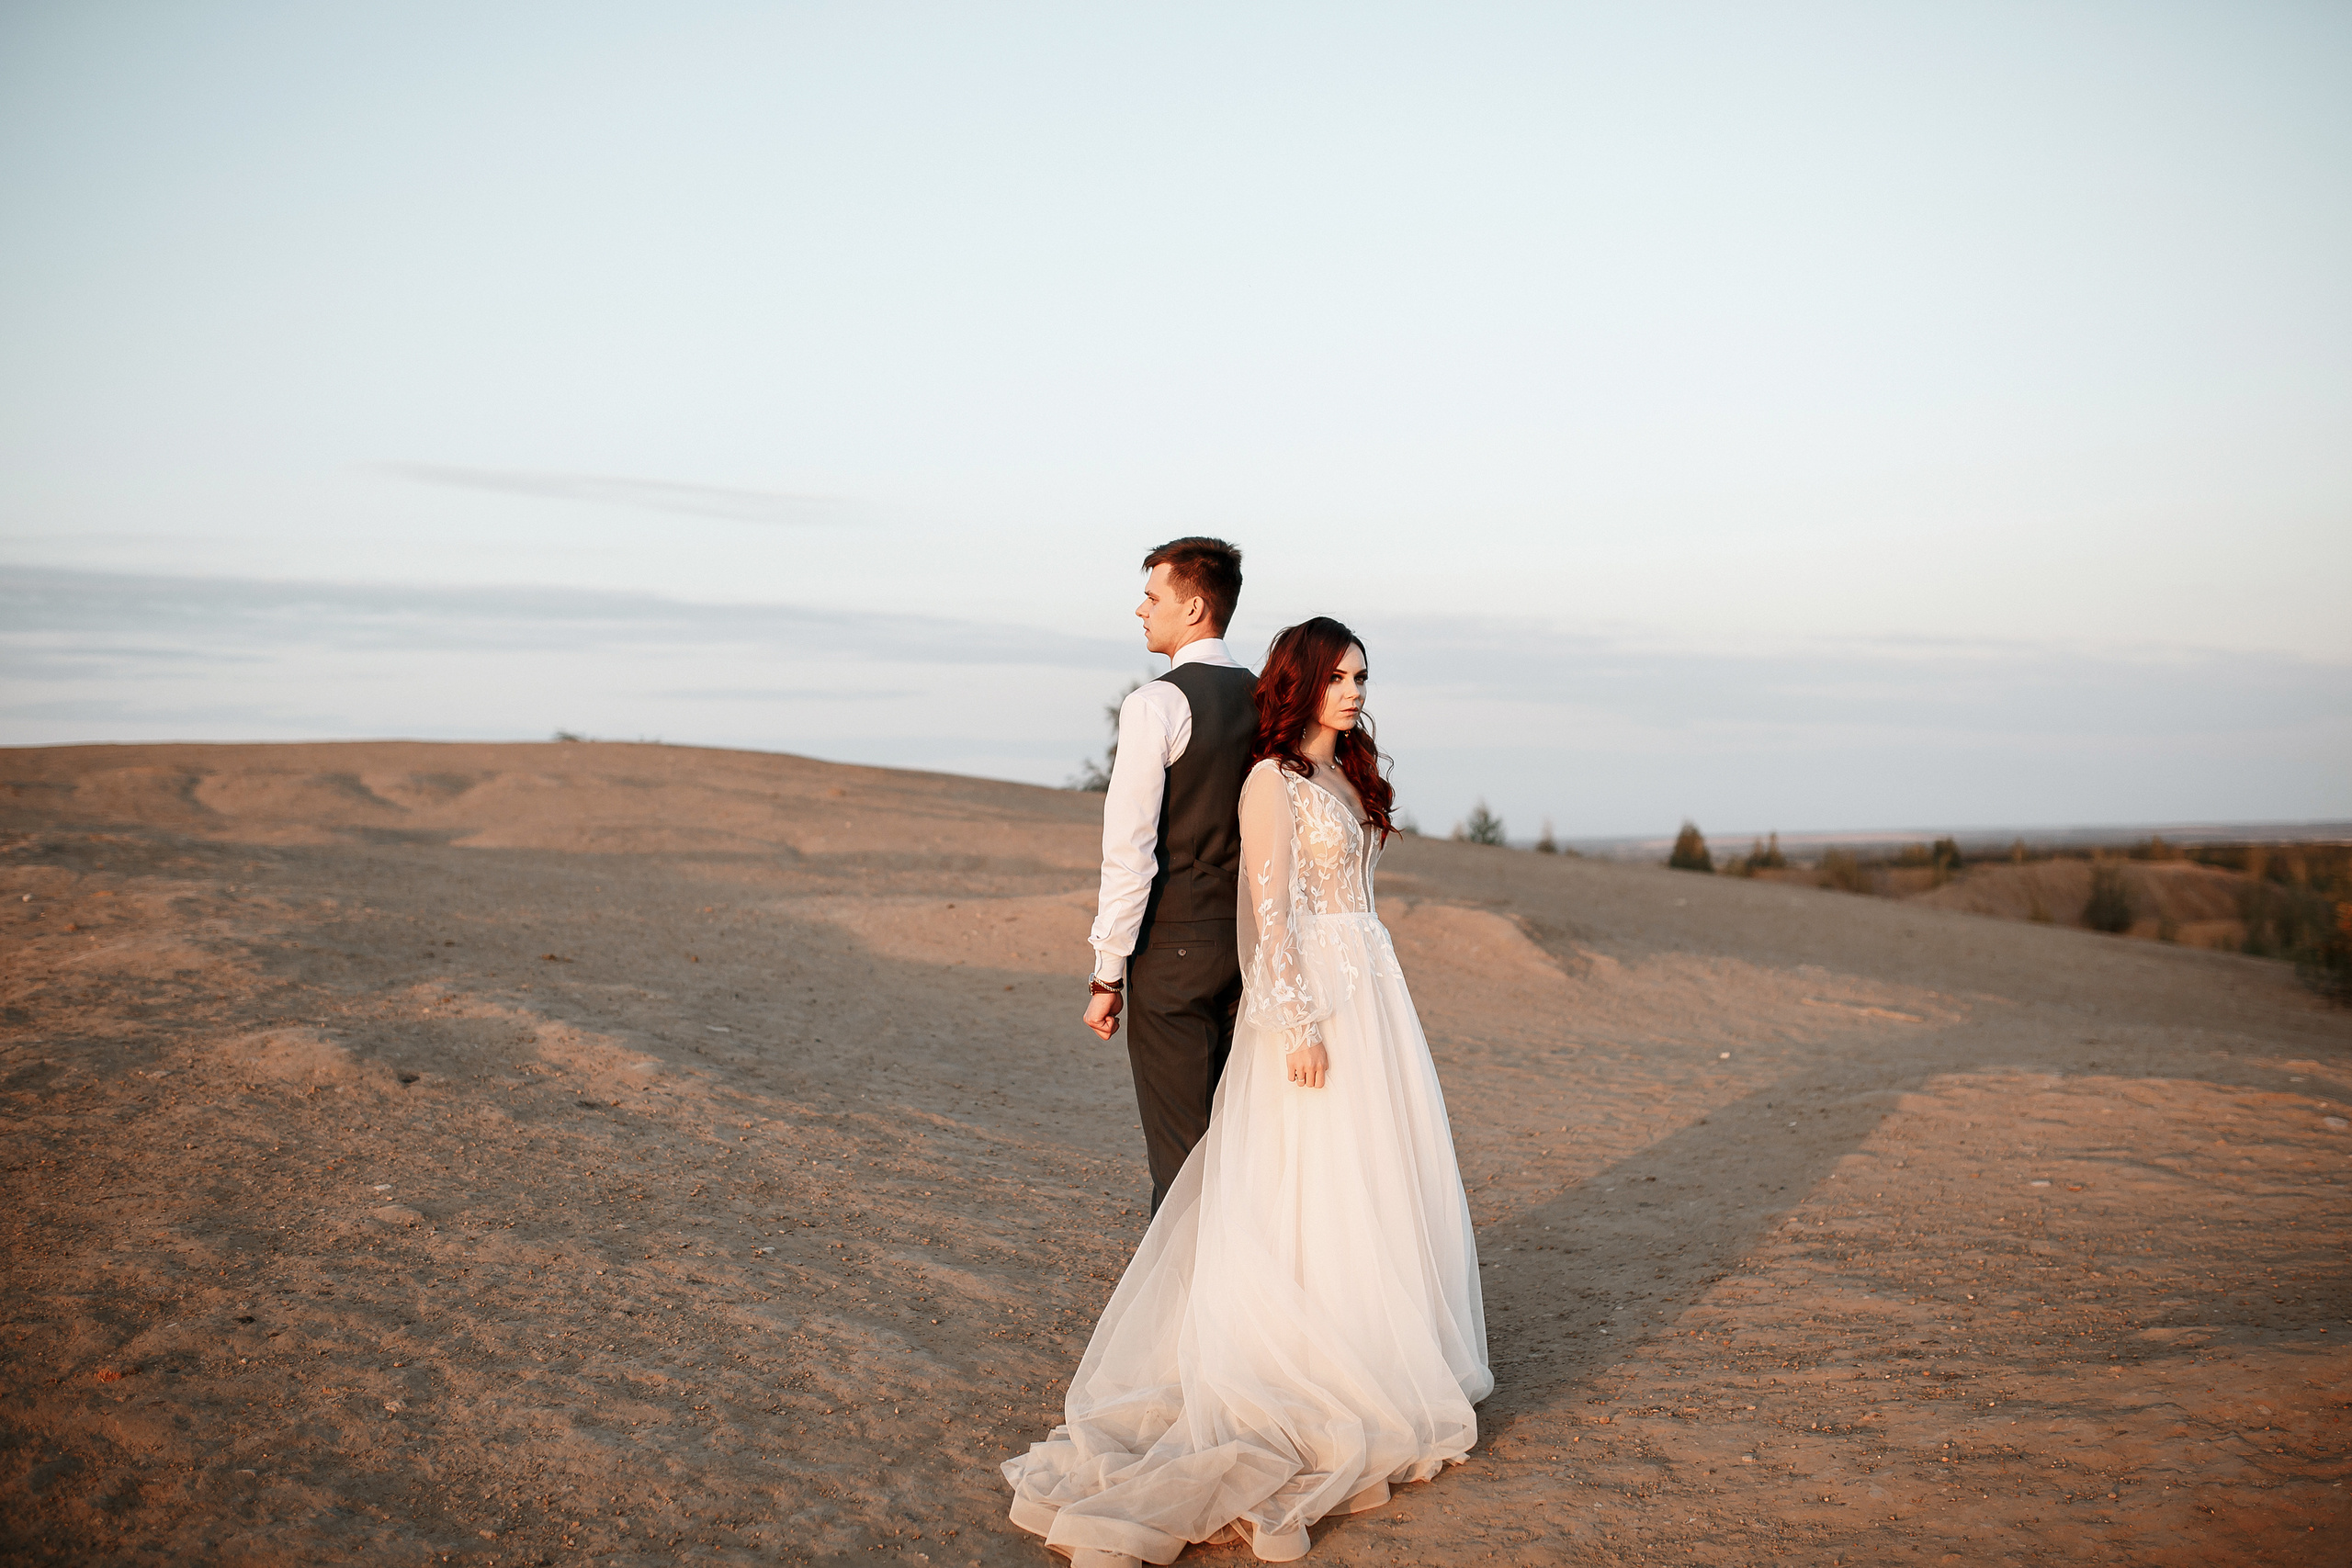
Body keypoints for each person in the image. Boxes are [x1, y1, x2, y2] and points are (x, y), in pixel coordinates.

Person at [1008, 617, 1490, 1566]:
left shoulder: (1351, 776)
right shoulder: (1271, 782)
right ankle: (1300, 1363)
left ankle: (1371, 1334)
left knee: (1372, 1172)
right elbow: (1269, 917)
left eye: (1360, 676)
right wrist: (1296, 1023)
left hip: (1373, 992)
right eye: (1337, 677)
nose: (1353, 691)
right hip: (1309, 996)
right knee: (1307, 1171)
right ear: (1299, 684)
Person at [1081, 537, 1256, 1215]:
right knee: (1240, 1144)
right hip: (1249, 945)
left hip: (1173, 951)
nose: (1140, 609)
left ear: (1194, 606)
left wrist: (1107, 973)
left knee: (1183, 1163)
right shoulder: (1270, 699)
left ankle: (1184, 1317)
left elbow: (1131, 851)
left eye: (1153, 597)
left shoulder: (1155, 704)